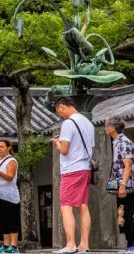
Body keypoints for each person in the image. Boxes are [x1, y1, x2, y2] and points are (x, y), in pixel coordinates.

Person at [52, 96, 94, 254]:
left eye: (59, 111)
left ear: (62, 107)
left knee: (66, 206)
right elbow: (91, 149)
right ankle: (84, 245)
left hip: (71, 169)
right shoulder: (88, 123)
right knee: (83, 206)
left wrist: (57, 143)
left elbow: (64, 150)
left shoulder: (68, 123)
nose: (60, 115)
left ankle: (70, 244)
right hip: (85, 168)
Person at [105, 117, 134, 252]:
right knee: (123, 214)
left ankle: (132, 245)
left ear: (112, 128)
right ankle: (130, 244)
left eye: (107, 126)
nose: (105, 128)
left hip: (128, 183)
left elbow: (128, 165)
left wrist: (122, 185)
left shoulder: (123, 142)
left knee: (127, 214)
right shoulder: (117, 142)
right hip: (124, 183)